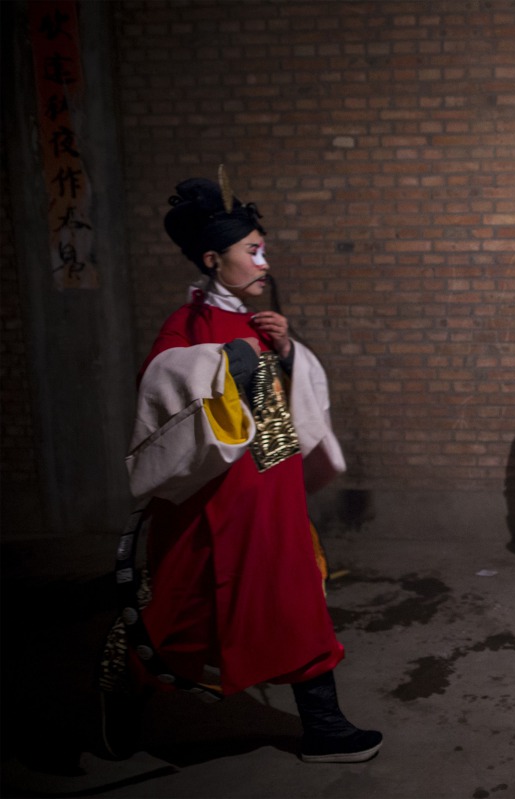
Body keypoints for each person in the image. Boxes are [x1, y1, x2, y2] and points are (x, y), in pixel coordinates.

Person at [98, 171, 382, 764]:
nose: (263, 261)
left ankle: (325, 729)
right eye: (252, 251)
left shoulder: (252, 321)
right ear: (212, 259)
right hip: (216, 504)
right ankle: (123, 692)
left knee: (297, 601)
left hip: (272, 495)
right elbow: (158, 385)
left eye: (263, 249)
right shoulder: (189, 325)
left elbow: (281, 409)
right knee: (183, 612)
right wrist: (227, 357)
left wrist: (285, 352)